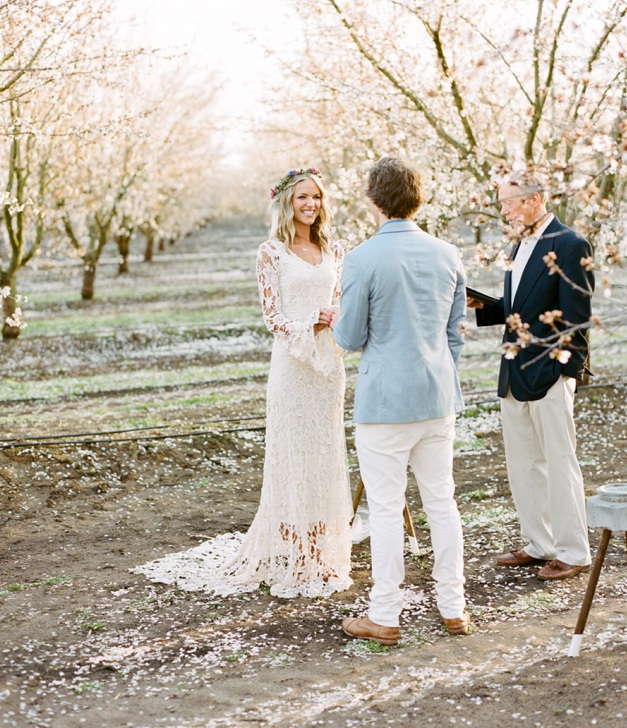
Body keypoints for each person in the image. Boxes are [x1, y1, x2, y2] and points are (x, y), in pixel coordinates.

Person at [134, 168, 352, 599]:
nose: (311, 204)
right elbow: (273, 318)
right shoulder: (270, 252)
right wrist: (313, 319)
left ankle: (323, 552)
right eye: (302, 197)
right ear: (287, 203)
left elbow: (342, 300)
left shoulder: (335, 248)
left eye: (317, 197)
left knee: (325, 454)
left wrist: (337, 317)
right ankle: (295, 553)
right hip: (292, 368)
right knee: (292, 456)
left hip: (328, 368)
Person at [333, 157, 469, 646]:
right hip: (437, 396)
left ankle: (386, 615)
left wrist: (336, 315)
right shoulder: (448, 254)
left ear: (373, 200)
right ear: (419, 198)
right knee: (442, 501)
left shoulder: (362, 258)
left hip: (384, 402)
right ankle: (454, 606)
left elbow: (349, 336)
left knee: (387, 510)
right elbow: (455, 334)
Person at [470, 169, 594, 581]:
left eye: (509, 201)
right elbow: (520, 305)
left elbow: (577, 318)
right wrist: (481, 307)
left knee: (560, 463)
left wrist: (566, 376)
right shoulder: (518, 243)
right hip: (513, 372)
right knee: (523, 464)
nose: (503, 210)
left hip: (550, 375)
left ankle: (574, 551)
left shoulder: (571, 243)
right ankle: (540, 543)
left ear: (535, 199)